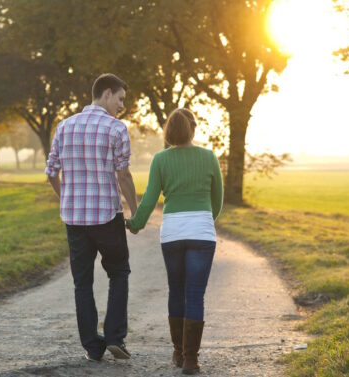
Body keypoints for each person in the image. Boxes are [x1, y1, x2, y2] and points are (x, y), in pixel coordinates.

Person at [45, 73, 138, 362]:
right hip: (107, 217)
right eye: (120, 99)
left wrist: (67, 199)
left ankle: (91, 347)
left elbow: (51, 172)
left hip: (74, 220)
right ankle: (114, 337)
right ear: (107, 94)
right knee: (119, 272)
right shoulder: (116, 129)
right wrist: (135, 212)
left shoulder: (64, 126)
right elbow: (123, 175)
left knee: (82, 283)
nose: (121, 105)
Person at [126, 108, 223, 375]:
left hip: (172, 233)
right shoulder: (209, 157)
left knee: (176, 291)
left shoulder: (160, 160)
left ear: (169, 131)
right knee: (195, 295)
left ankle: (179, 353)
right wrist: (203, 221)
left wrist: (135, 224)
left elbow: (149, 199)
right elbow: (218, 201)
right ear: (193, 129)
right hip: (201, 233)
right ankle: (191, 360)